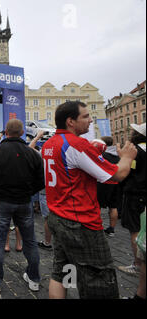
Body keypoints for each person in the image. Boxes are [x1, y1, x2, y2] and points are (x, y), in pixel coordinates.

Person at [42, 101, 137, 299]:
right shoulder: (76, 144)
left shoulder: (50, 144)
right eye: (85, 116)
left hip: (57, 217)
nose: (90, 119)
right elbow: (117, 175)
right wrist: (127, 157)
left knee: (62, 271)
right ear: (70, 121)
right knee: (99, 277)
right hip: (81, 222)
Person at [0, 119, 45, 293]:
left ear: (6, 133)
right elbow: (41, 181)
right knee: (30, 241)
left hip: (2, 201)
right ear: (22, 132)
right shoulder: (32, 153)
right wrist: (28, 192)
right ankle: (34, 278)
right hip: (24, 202)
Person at [118, 123, 146, 276]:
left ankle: (137, 265)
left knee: (135, 229)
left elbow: (127, 171)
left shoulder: (136, 151)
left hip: (135, 194)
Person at [28, 130, 53, 250]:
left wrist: (37, 136)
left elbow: (30, 147)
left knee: (48, 218)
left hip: (45, 188)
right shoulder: (60, 150)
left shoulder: (44, 152)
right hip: (58, 188)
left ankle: (48, 242)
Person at [95, 136, 122, 237]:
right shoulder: (118, 155)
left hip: (103, 183)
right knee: (113, 207)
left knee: (97, 206)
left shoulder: (102, 155)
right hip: (115, 183)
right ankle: (111, 229)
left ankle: (97, 228)